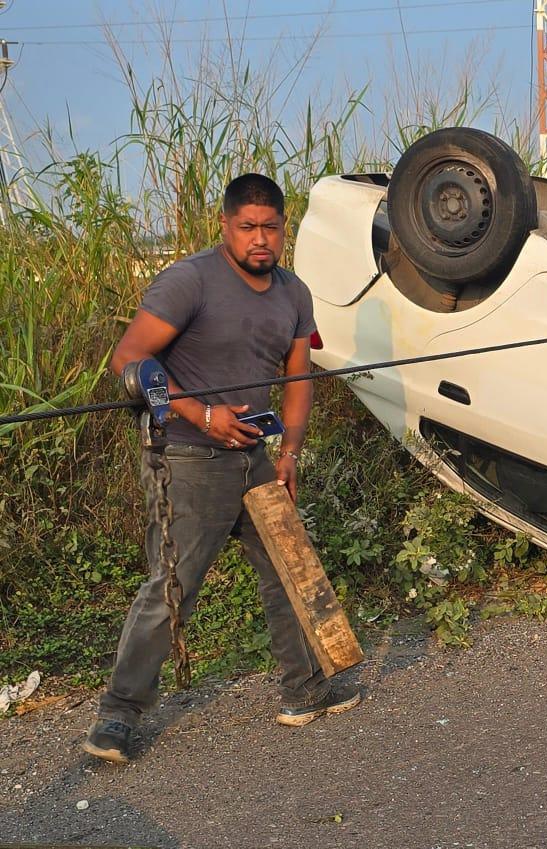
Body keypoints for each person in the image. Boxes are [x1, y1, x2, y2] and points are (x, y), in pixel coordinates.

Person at [82, 174, 360, 764]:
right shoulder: (190, 280)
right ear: (226, 226)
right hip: (186, 458)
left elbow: (298, 377)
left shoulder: (293, 293)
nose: (260, 239)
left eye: (271, 227)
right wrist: (203, 414)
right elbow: (129, 359)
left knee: (288, 567)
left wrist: (288, 455)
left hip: (257, 457)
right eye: (248, 227)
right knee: (171, 589)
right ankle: (116, 718)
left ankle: (305, 691)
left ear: (284, 227)